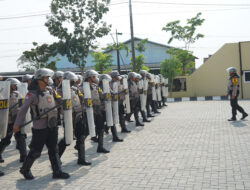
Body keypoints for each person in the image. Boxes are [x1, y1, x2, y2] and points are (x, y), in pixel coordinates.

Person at [13, 68, 69, 180]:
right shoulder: (32, 94)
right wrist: (17, 125)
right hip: (40, 127)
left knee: (54, 149)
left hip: (52, 125)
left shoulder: (51, 91)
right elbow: (23, 110)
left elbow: (59, 102)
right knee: (36, 151)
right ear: (39, 79)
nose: (48, 79)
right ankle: (25, 169)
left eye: (48, 77)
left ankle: (57, 172)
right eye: (46, 77)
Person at [58, 71, 91, 165]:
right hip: (68, 117)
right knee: (67, 139)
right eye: (71, 80)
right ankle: (57, 157)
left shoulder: (75, 89)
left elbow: (81, 97)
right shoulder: (59, 91)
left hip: (78, 115)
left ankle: (81, 159)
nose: (73, 81)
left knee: (81, 137)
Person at [0, 78, 27, 163]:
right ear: (9, 85)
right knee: (6, 140)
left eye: (16, 85)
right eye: (13, 85)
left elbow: (23, 104)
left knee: (21, 137)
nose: (15, 86)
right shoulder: (2, 95)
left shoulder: (17, 94)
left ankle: (24, 156)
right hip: (8, 121)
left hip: (17, 120)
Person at [85, 70, 110, 153]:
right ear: (89, 78)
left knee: (101, 129)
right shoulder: (83, 88)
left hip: (98, 110)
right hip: (88, 112)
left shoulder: (96, 86)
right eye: (93, 77)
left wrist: (107, 94)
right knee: (87, 131)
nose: (95, 78)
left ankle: (100, 146)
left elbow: (102, 95)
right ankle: (79, 145)